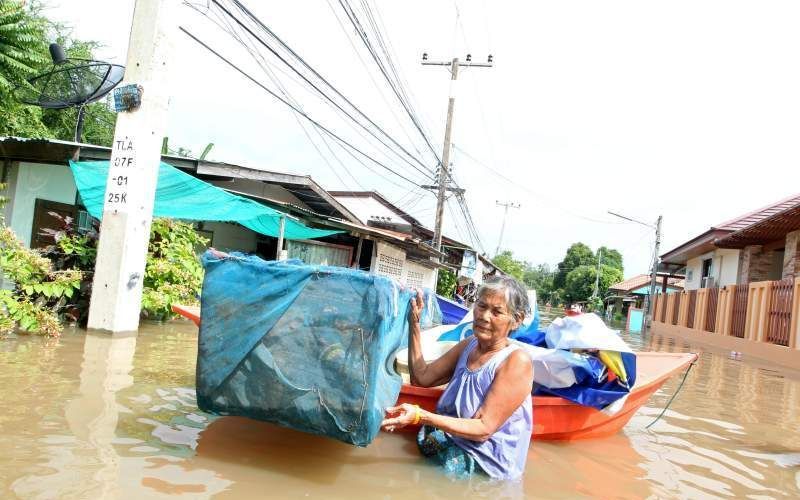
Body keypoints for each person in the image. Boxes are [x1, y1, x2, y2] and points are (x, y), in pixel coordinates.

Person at [381, 276, 534, 480]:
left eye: (497, 312)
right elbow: (422, 378)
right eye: (481, 306)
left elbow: (483, 428)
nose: (484, 316)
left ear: (516, 319)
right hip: (451, 441)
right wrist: (414, 324)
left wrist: (420, 416)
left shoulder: (516, 361)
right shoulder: (470, 344)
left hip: (482, 465)